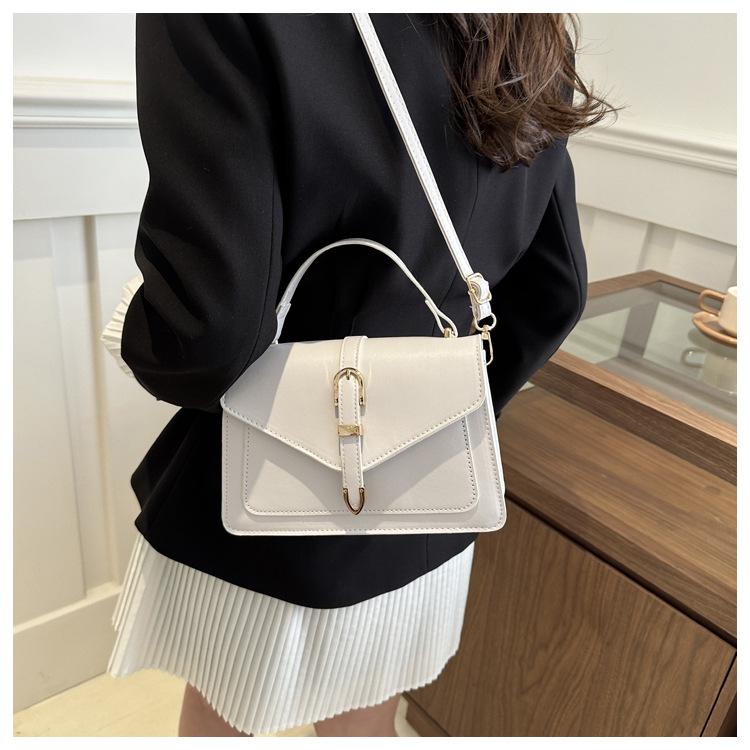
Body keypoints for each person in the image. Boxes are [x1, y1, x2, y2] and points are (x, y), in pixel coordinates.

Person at [104, 12, 613, 737]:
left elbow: (208, 336)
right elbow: (555, 289)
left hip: (265, 491)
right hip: (426, 502)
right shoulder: (528, 28)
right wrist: (436, 411)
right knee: (366, 725)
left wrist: (129, 325)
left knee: (227, 715)